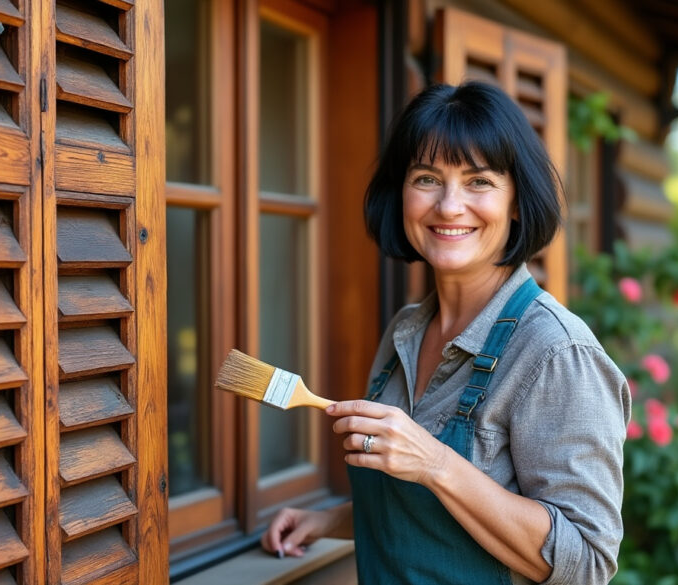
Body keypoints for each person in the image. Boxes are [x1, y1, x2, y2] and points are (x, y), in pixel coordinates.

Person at [261, 81, 630, 585]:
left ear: (517, 203)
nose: (449, 206)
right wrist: (328, 522)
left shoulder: (555, 353)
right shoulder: (406, 332)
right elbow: (428, 508)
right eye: (427, 178)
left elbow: (586, 562)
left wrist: (435, 461)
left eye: (478, 181)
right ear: (402, 194)